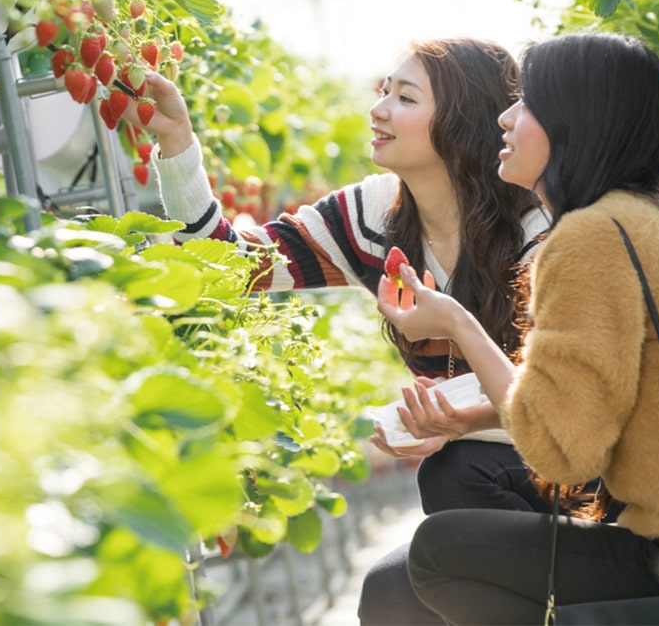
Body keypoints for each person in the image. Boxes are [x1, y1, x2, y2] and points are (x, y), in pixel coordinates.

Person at [124, 39, 551, 623]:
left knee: (453, 476)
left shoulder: (536, 222)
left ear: (460, 121)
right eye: (382, 91)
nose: (378, 108)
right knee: (386, 597)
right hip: (484, 468)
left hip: (569, 471)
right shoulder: (377, 216)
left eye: (404, 97)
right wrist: (175, 144)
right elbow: (229, 267)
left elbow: (556, 385)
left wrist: (450, 414)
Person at [377, 31, 659, 623]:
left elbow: (562, 450)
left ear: (573, 121)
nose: (505, 120)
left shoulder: (590, 239)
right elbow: (602, 409)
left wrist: (458, 323)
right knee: (413, 548)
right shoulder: (638, 219)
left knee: (436, 555)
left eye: (526, 104)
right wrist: (474, 412)